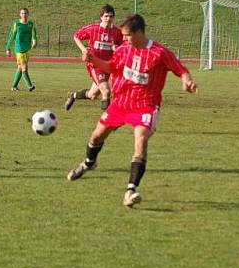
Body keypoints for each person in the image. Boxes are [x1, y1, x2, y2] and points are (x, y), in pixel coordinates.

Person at [66, 14, 198, 208]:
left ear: (139, 32)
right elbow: (110, 67)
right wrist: (92, 58)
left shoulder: (159, 52)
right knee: (96, 137)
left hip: (145, 105)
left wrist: (186, 81)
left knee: (141, 140)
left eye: (127, 35)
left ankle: (131, 190)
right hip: (120, 103)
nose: (124, 39)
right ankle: (88, 163)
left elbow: (180, 69)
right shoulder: (123, 50)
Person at [65, 4, 123, 111]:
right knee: (106, 91)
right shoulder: (93, 29)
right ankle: (107, 121)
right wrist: (83, 49)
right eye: (106, 16)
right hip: (95, 65)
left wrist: (117, 48)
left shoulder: (117, 32)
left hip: (107, 66)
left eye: (111, 16)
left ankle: (72, 95)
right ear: (101, 17)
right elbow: (76, 36)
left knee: (92, 95)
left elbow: (125, 47)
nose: (108, 19)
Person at [6, 7, 37, 92]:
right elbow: (11, 36)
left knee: (20, 68)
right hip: (19, 50)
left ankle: (14, 86)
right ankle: (30, 85)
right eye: (22, 13)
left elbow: (34, 34)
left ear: (28, 14)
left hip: (27, 49)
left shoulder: (31, 24)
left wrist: (34, 42)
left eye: (26, 13)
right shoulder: (16, 24)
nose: (24, 15)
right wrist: (8, 48)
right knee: (24, 67)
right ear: (20, 15)